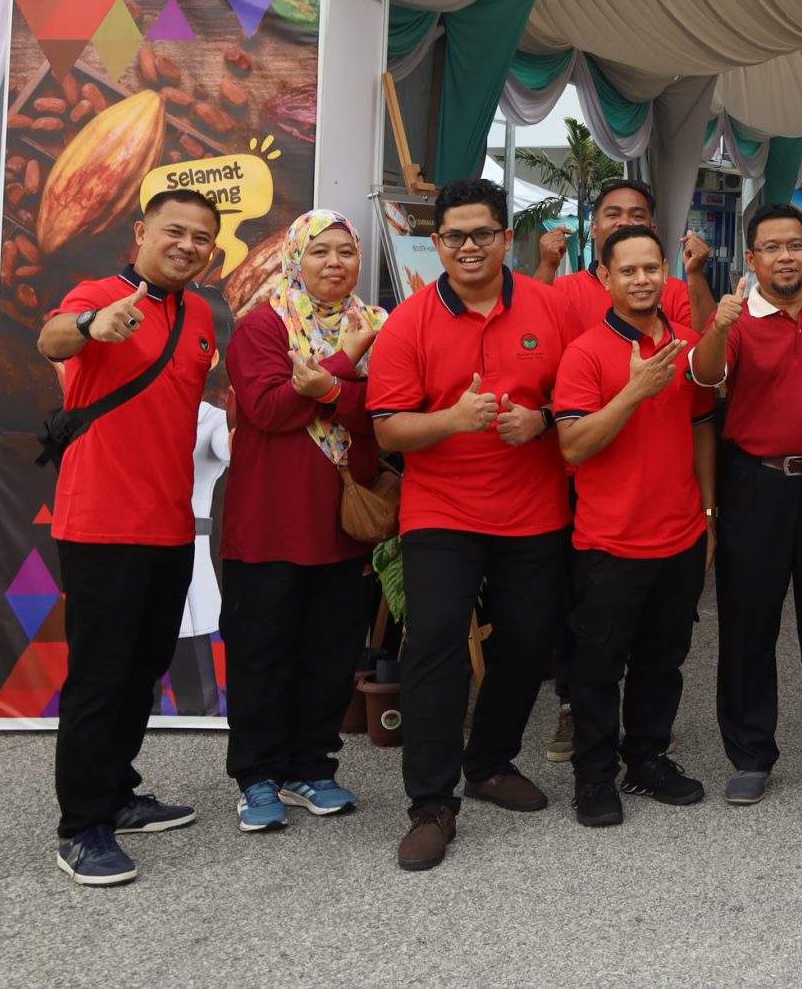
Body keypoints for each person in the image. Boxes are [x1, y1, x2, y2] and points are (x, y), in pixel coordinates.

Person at [367, 178, 574, 873]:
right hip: (442, 511)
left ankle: (488, 762)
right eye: (454, 235)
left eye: (482, 233)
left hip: (534, 508)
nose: (468, 246)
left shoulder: (550, 305)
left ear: (506, 238)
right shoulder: (409, 322)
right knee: (433, 647)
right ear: (436, 242)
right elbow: (388, 427)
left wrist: (541, 418)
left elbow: (580, 394)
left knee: (527, 641)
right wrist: (453, 419)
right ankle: (431, 804)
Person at [36, 188, 224, 885]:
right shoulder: (99, 294)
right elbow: (51, 338)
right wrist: (92, 323)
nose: (187, 245)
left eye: (201, 237)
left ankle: (117, 792)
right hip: (101, 522)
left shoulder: (199, 313)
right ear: (142, 232)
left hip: (170, 524)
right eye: (174, 231)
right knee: (100, 675)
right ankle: (82, 826)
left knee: (142, 670)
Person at [688, 200, 802, 807]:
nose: (785, 257)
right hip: (756, 487)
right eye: (772, 247)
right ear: (752, 258)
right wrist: (719, 326)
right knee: (748, 624)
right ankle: (750, 754)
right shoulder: (737, 318)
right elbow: (704, 377)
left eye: (795, 245)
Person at [221, 210, 388, 836]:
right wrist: (347, 362)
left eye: (346, 251)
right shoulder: (263, 326)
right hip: (269, 523)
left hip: (342, 525)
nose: (334, 263)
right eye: (320, 251)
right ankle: (257, 776)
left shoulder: (379, 326)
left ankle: (311, 767)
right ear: (296, 258)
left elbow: (382, 416)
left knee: (330, 653)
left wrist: (326, 388)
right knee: (262, 654)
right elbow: (268, 410)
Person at [551, 225, 719, 826]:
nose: (642, 279)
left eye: (651, 268)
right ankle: (594, 776)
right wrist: (634, 391)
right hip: (610, 542)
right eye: (628, 270)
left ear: (665, 272)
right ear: (605, 277)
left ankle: (647, 759)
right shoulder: (586, 352)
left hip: (680, 535)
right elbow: (574, 445)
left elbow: (702, 427)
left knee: (662, 661)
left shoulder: (687, 344)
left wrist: (708, 512)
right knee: (598, 667)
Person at [536, 177, 715, 337]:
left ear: (652, 230)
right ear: (594, 229)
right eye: (613, 214)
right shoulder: (564, 289)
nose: (624, 222)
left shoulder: (676, 291)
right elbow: (531, 333)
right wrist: (547, 265)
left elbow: (708, 346)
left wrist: (696, 273)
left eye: (637, 216)